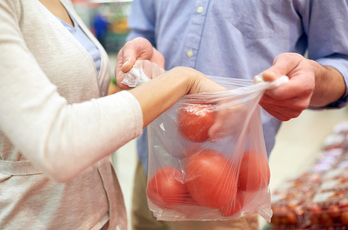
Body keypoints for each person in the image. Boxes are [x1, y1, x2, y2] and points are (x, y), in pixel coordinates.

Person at [115, 1, 348, 230]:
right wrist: (139, 58)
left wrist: (316, 79)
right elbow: (143, 31)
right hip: (154, 163)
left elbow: (341, 61)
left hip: (225, 184)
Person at [0, 1, 226, 229]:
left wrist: (140, 76)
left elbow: (73, 99)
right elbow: (55, 143)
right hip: (35, 217)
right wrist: (181, 80)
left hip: (95, 214)